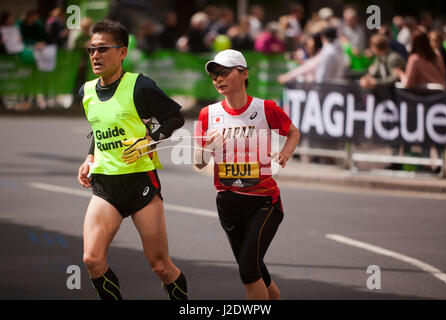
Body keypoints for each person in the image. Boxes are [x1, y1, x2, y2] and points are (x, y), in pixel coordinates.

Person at [77, 19, 187, 300]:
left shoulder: (141, 86)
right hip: (105, 186)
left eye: (103, 49)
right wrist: (90, 156)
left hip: (141, 184)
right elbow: (100, 128)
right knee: (92, 259)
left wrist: (150, 140)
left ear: (122, 52)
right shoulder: (86, 92)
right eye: (91, 50)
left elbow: (175, 117)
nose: (95, 56)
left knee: (160, 265)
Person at [194, 49, 300, 300]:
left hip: (263, 202)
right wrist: (206, 147)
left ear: (243, 74)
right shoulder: (207, 114)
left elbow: (293, 132)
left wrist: (284, 154)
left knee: (248, 271)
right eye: (213, 75)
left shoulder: (265, 109)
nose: (217, 79)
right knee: (257, 270)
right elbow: (199, 163)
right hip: (228, 203)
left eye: (223, 73)